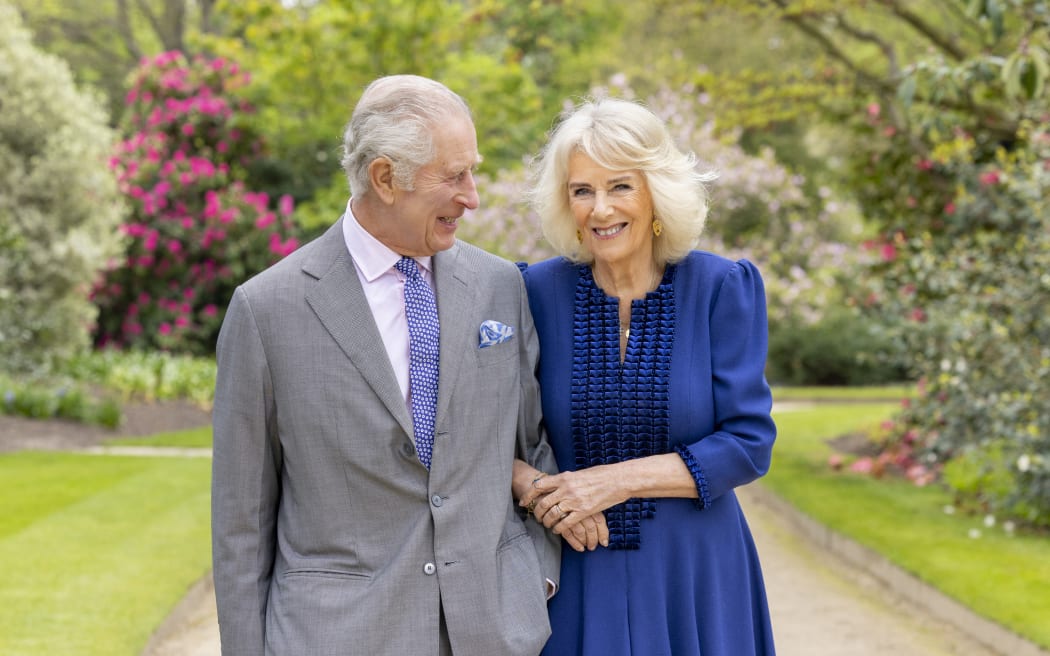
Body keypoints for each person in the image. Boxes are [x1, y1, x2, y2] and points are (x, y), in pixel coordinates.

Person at [211, 74, 566, 655]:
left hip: (490, 630)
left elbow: (532, 444)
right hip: (335, 636)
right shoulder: (266, 310)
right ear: (385, 178)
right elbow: (240, 524)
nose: (473, 196)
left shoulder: (501, 286)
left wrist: (533, 578)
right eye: (454, 176)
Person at [515, 97, 777, 655]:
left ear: (657, 192)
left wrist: (615, 480)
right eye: (582, 191)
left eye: (620, 187)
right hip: (577, 572)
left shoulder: (721, 287)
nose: (600, 209)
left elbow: (749, 443)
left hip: (698, 578)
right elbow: (479, 430)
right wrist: (536, 491)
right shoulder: (531, 294)